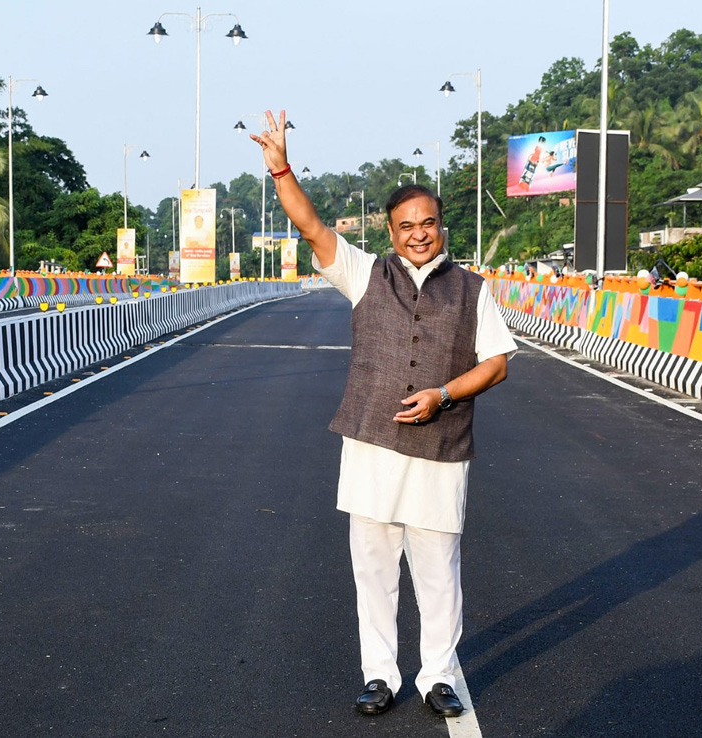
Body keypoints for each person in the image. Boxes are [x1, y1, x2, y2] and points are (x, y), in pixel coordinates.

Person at [251, 110, 516, 718]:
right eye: (406, 226)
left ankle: (438, 676)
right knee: (373, 570)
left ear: (441, 226)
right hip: (371, 446)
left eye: (428, 223)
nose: (419, 234)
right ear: (390, 232)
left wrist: (443, 395)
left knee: (438, 572)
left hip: (442, 450)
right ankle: (379, 674)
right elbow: (312, 226)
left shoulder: (474, 290)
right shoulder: (365, 274)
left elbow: (497, 363)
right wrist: (282, 170)